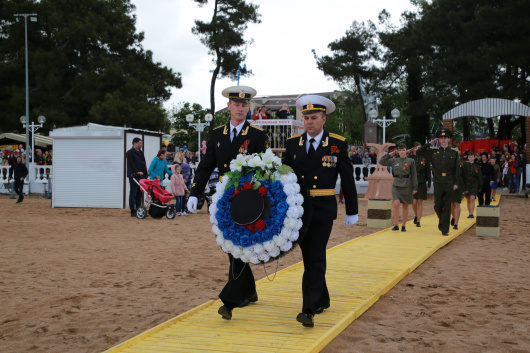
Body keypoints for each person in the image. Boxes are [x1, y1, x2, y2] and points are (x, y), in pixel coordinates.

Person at [187, 85, 267, 321]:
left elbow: (262, 169)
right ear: (229, 107)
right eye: (236, 104)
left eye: (244, 105)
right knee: (229, 247)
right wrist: (194, 192)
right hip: (223, 198)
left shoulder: (257, 135)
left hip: (246, 196)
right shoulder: (217, 134)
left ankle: (231, 299)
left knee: (237, 245)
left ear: (248, 107)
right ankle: (249, 290)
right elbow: (206, 165)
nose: (240, 108)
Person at [282, 95, 358, 328]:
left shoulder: (336, 143)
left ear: (324, 119)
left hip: (324, 208)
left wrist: (352, 210)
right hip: (300, 209)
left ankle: (308, 309)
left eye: (314, 118)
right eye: (306, 118)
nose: (309, 122)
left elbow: (347, 178)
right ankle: (322, 298)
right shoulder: (293, 144)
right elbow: (285, 177)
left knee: (315, 255)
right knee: (311, 257)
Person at [416, 129, 460, 236]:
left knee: (447, 205)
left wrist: (456, 183)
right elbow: (418, 152)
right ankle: (442, 221)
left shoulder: (454, 152)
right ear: (439, 139)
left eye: (445, 138)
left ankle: (445, 229)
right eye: (441, 138)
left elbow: (457, 169)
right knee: (438, 206)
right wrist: (429, 144)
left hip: (449, 180)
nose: (443, 140)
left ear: (449, 139)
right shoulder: (433, 151)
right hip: (438, 180)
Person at [379, 143, 418, 231]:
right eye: (399, 150)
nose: (401, 152)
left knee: (405, 206)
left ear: (406, 151)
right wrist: (391, 153)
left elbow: (414, 175)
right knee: (396, 204)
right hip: (396, 184)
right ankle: (396, 225)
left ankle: (403, 225)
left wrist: (415, 187)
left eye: (403, 150)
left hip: (407, 184)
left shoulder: (410, 161)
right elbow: (381, 161)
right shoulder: (394, 160)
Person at [126, 138, 148, 217]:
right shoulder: (130, 153)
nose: (141, 144)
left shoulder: (141, 153)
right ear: (135, 143)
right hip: (134, 176)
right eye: (140, 143)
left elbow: (143, 163)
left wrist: (145, 173)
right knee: (133, 193)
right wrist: (136, 172)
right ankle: (133, 210)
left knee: (139, 193)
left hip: (141, 176)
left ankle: (139, 209)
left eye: (141, 143)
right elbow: (131, 164)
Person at [411, 142, 431, 227]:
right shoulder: (411, 158)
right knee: (413, 202)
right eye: (416, 148)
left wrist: (429, 184)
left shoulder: (425, 159)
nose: (418, 149)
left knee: (420, 201)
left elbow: (428, 172)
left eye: (420, 147)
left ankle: (418, 220)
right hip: (413, 182)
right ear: (414, 149)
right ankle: (416, 215)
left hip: (422, 181)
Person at [462, 153, 482, 218]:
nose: (471, 158)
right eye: (469, 157)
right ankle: (469, 213)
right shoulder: (465, 165)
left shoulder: (477, 166)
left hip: (474, 184)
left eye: (472, 157)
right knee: (468, 199)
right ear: (468, 158)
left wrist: (480, 186)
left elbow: (479, 177)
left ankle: (471, 213)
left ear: (474, 157)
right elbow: (463, 174)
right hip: (467, 184)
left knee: (472, 198)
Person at [450, 147, 465, 230]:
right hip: (450, 183)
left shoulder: (462, 163)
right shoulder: (449, 161)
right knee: (451, 204)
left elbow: (465, 175)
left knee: (457, 203)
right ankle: (453, 216)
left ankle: (456, 223)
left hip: (459, 184)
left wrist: (466, 187)